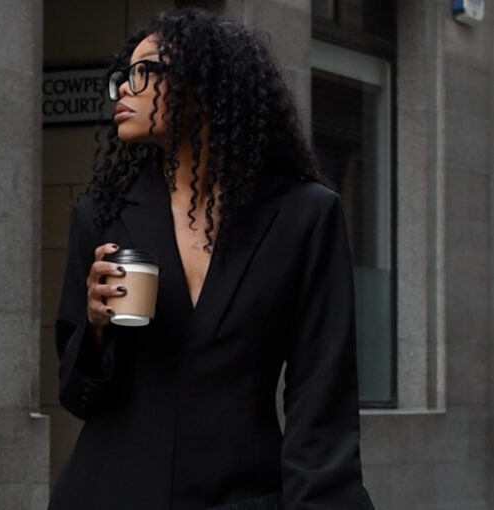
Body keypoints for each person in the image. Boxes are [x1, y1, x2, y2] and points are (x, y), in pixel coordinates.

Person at [48, 8, 375, 510]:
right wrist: (96, 327)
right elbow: (78, 398)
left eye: (143, 73)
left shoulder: (304, 216)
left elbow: (322, 399)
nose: (122, 91)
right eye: (121, 77)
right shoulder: (102, 216)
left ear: (204, 86)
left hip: (243, 495)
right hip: (108, 492)